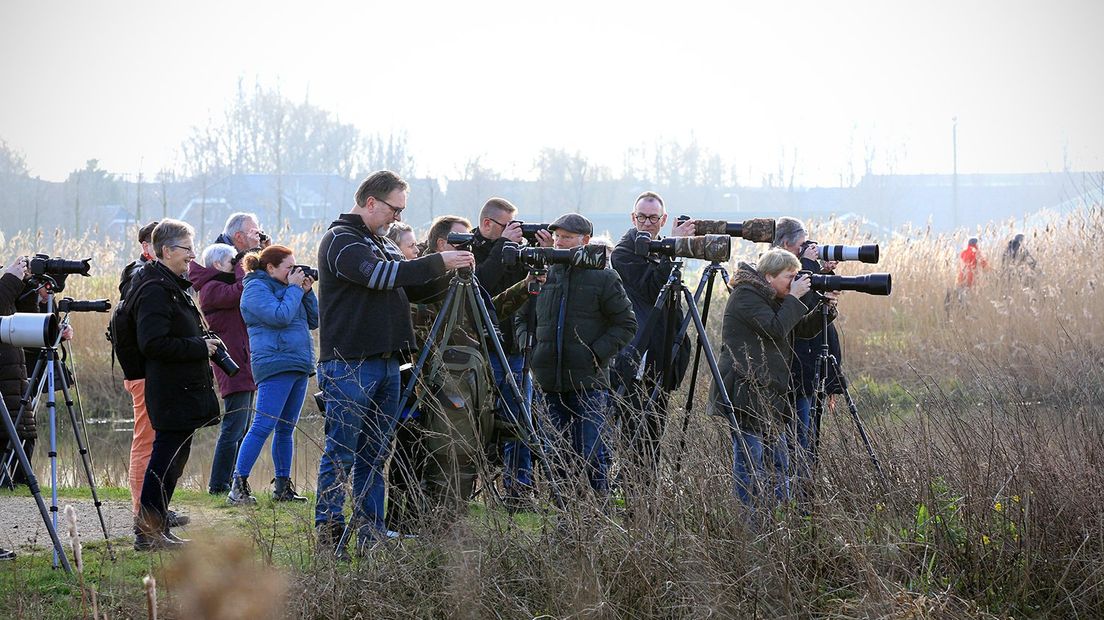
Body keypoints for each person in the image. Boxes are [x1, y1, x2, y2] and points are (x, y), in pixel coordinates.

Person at [314, 170, 474, 556]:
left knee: (376, 452)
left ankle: (372, 531)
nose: (398, 219)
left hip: (389, 363)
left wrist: (454, 271)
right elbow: (382, 277)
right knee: (342, 449)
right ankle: (329, 533)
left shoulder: (381, 242)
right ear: (371, 202)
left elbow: (412, 286)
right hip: (351, 363)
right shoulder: (341, 240)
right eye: (394, 209)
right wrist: (439, 260)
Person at [712, 248, 835, 505]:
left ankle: (779, 521)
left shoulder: (771, 296)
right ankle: (751, 525)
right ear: (769, 277)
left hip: (770, 392)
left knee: (780, 462)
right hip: (746, 392)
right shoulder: (746, 296)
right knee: (750, 461)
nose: (794, 282)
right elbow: (776, 328)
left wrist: (826, 306)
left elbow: (798, 329)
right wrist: (796, 297)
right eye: (789, 277)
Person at [531, 213, 636, 502]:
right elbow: (524, 316)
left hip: (588, 383)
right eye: (556, 237)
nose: (559, 243)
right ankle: (567, 518)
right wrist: (533, 354)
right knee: (557, 456)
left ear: (585, 240)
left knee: (592, 453)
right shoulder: (545, 274)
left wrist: (595, 354)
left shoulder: (604, 276)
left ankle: (598, 515)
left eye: (566, 237)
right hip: (549, 382)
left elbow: (626, 324)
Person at [132, 219, 222, 550]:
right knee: (164, 459)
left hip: (180, 390)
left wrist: (201, 339)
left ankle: (155, 527)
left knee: (174, 460)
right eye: (187, 249)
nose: (193, 255)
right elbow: (152, 343)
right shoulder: (155, 289)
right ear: (167, 250)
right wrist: (200, 346)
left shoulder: (169, 283)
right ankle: (148, 533)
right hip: (170, 390)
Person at [610, 191, 696, 494]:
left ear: (663, 219)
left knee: (652, 434)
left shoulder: (661, 250)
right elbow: (650, 289)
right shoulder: (622, 253)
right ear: (633, 218)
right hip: (633, 361)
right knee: (632, 433)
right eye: (642, 217)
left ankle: (645, 500)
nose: (647, 223)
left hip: (659, 358)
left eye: (653, 218)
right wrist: (672, 250)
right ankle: (632, 497)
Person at [469, 198, 553, 510]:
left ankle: (519, 490)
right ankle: (465, 487)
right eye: (508, 227)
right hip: (480, 352)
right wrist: (500, 248)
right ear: (488, 225)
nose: (516, 233)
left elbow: (535, 292)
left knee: (520, 420)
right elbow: (481, 287)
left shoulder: (518, 252)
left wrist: (540, 254)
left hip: (516, 351)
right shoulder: (470, 252)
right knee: (476, 421)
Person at [226, 245, 318, 505]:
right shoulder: (255, 288)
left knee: (286, 428)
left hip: (298, 363)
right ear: (270, 268)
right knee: (262, 425)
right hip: (275, 364)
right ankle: (238, 486)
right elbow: (279, 317)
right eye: (289, 268)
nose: (294, 272)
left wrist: (306, 292)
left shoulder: (290, 288)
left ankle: (283, 487)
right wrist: (294, 289)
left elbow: (315, 320)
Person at [115, 221, 188, 528]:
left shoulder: (158, 278)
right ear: (149, 247)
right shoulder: (140, 276)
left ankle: (156, 508)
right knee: (147, 442)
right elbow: (149, 336)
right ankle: (142, 513)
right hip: (145, 373)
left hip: (156, 373)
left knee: (157, 442)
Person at [190, 212, 263, 495]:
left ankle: (232, 483)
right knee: (233, 428)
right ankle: (219, 485)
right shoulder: (211, 290)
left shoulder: (219, 284)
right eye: (233, 261)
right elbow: (244, 289)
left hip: (243, 362)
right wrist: (247, 262)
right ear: (218, 264)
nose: (237, 265)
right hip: (232, 365)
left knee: (242, 427)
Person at [771, 217, 844, 480]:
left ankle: (805, 496)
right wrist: (812, 268)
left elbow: (821, 321)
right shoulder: (774, 274)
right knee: (797, 441)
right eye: (802, 245)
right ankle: (795, 497)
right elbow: (798, 315)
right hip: (793, 374)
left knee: (809, 440)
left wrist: (823, 275)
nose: (807, 249)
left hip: (810, 370)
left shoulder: (801, 273)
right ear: (787, 244)